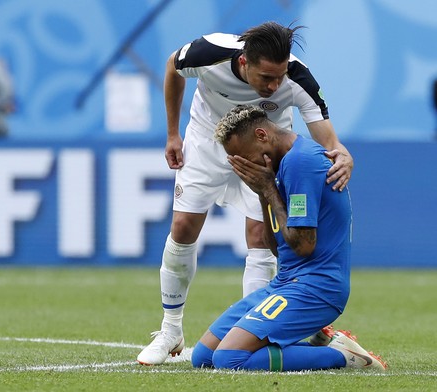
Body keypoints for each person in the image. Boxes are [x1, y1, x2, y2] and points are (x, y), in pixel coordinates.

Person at [137, 21, 354, 366]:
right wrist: (172, 134)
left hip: (263, 153)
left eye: (279, 77)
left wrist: (342, 154)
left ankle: (257, 331)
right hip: (208, 142)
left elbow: (329, 141)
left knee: (259, 235)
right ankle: (170, 330)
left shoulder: (298, 78)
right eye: (266, 78)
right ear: (243, 63)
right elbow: (172, 67)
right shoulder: (208, 53)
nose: (274, 85)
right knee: (182, 228)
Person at [189, 104, 386, 372]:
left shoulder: (300, 162)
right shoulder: (281, 165)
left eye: (246, 157)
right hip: (285, 283)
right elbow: (279, 249)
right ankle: (320, 346)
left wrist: (268, 189)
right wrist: (262, 194)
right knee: (203, 356)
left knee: (229, 358)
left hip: (317, 288)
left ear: (261, 135)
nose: (248, 166)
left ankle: (343, 357)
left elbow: (304, 245)